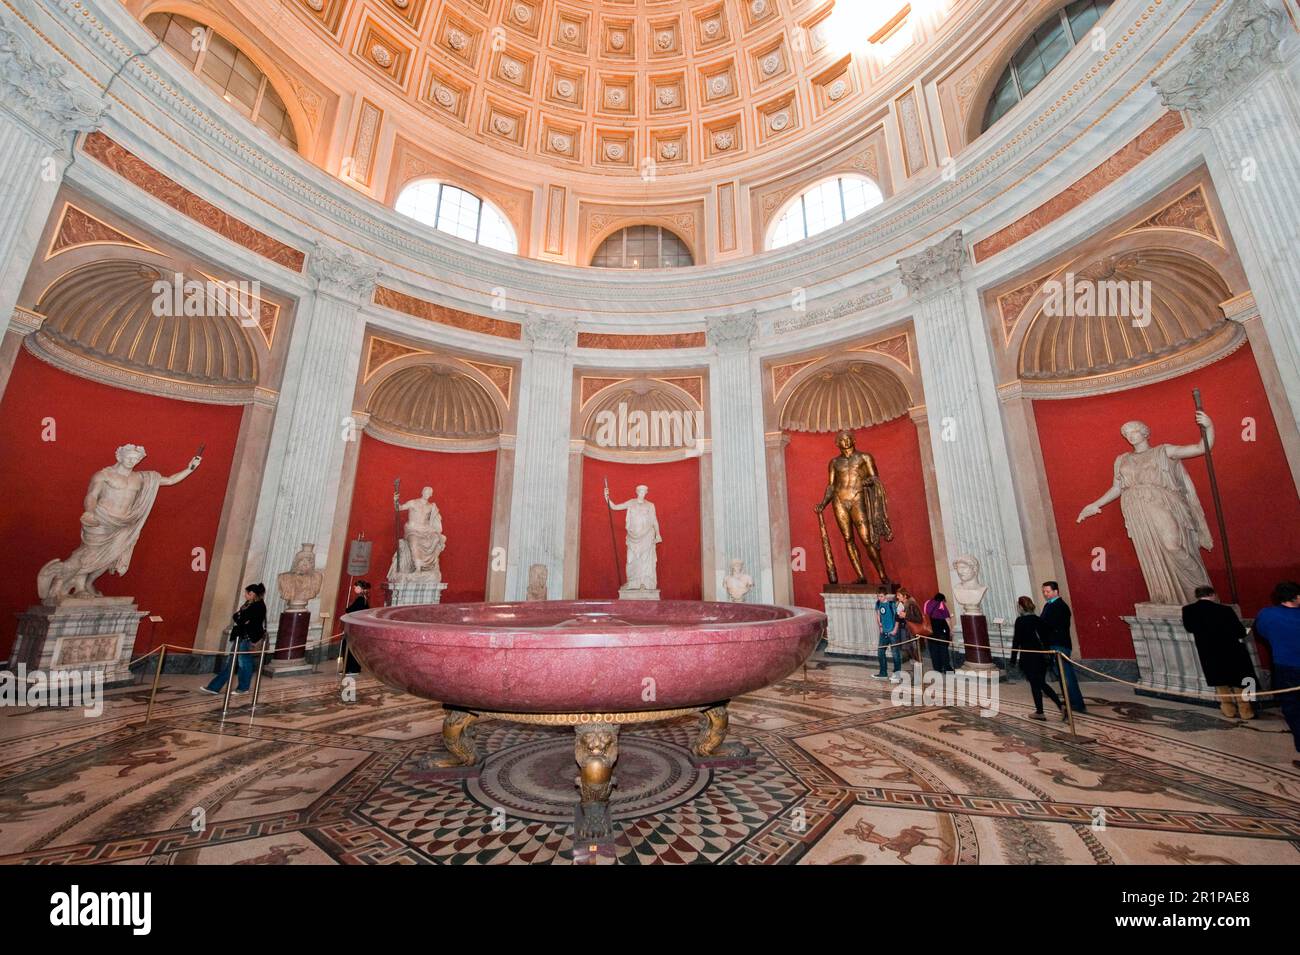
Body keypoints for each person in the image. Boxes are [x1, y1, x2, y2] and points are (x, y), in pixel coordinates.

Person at [1181, 585, 1255, 719]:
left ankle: (1228, 710)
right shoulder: (1224, 610)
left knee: (1219, 681)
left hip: (1208, 651)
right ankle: (1246, 711)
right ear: (1212, 595)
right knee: (1240, 681)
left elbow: (1190, 627)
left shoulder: (1188, 610)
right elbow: (1238, 630)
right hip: (1230, 649)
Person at [1253, 581, 1300, 768]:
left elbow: (1262, 632)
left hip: (1284, 667)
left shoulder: (1266, 614)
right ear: (1296, 597)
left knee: (1294, 712)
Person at [202, 583, 267, 696]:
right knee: (231, 663)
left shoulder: (258, 606)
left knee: (243, 663)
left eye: (246, 593)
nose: (245, 595)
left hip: (248, 638)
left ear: (252, 594)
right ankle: (214, 687)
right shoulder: (248, 604)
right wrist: (240, 617)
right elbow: (236, 616)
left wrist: (241, 618)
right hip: (240, 637)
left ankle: (243, 687)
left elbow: (242, 620)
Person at [1011, 597, 1065, 721]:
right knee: (1038, 683)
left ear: (1020, 607)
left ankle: (1059, 705)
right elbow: (1047, 638)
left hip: (1028, 657)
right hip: (1042, 656)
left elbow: (1016, 641)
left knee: (1038, 683)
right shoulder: (1039, 620)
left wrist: (1013, 659)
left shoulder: (1020, 621)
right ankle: (1040, 711)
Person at [1039, 581, 1085, 713]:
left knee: (1067, 675)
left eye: (1047, 591)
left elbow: (1051, 624)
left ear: (1056, 591)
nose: (1045, 594)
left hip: (1060, 644)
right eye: (1044, 592)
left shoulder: (1060, 606)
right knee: (1062, 674)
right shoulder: (1049, 605)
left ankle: (1077, 702)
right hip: (1053, 643)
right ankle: (1070, 699)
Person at [874, 584, 904, 683]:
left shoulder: (892, 604)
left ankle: (897, 675)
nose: (880, 598)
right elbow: (878, 615)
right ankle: (883, 673)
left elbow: (897, 617)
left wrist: (895, 629)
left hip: (892, 632)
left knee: (895, 653)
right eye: (878, 596)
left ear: (885, 595)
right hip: (884, 632)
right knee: (880, 652)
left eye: (881, 596)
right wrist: (880, 627)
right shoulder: (878, 603)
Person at [343, 580, 371, 674]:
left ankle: (351, 669)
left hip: (355, 628)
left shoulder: (360, 599)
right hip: (357, 627)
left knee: (349, 648)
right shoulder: (364, 598)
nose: (354, 588)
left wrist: (347, 609)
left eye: (356, 587)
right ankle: (352, 668)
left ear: (361, 588)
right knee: (352, 648)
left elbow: (350, 610)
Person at [924, 593, 954, 673]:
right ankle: (947, 668)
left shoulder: (927, 603)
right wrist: (951, 630)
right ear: (942, 599)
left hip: (930, 630)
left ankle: (937, 668)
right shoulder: (941, 604)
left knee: (933, 650)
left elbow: (925, 615)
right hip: (940, 629)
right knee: (943, 650)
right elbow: (947, 619)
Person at [896, 586, 925, 667]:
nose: (897, 597)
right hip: (909, 632)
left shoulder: (911, 603)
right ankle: (916, 675)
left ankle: (918, 676)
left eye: (899, 595)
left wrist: (905, 615)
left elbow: (919, 618)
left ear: (905, 596)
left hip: (913, 633)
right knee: (912, 654)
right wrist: (902, 616)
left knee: (916, 655)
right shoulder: (904, 604)